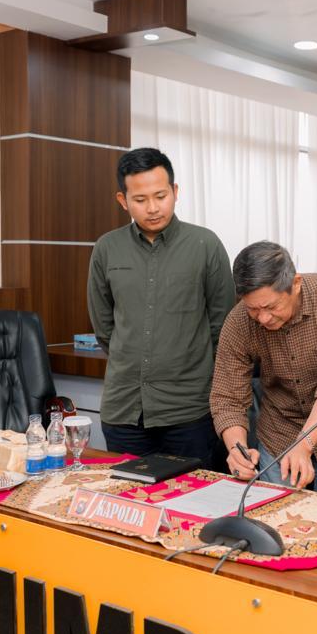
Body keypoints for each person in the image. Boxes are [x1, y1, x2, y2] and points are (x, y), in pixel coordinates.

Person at [87, 147, 235, 467]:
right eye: (140, 200)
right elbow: (104, 326)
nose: (153, 208)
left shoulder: (205, 245)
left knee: (196, 495)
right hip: (125, 411)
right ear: (123, 200)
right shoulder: (107, 248)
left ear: (175, 192)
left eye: (161, 196)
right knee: (128, 495)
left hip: (189, 413)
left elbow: (222, 326)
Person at [209, 241, 317, 491]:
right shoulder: (239, 322)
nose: (263, 318)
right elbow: (227, 396)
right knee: (277, 512)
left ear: (295, 284)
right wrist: (236, 448)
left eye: (271, 307)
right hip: (279, 434)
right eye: (253, 309)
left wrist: (304, 445)